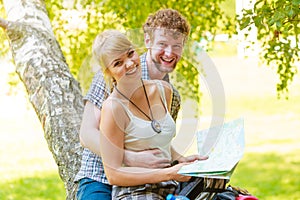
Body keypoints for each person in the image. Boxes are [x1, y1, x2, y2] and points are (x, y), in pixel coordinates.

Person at [75, 9, 195, 200]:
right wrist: (128, 157)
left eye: (176, 46)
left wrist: (180, 158)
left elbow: (155, 139)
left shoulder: (169, 93)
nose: (169, 53)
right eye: (162, 44)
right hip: (100, 177)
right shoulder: (111, 78)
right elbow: (86, 134)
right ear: (148, 41)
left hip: (151, 181)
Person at [95, 29, 203, 199]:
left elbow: (158, 139)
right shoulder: (113, 108)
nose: (130, 63)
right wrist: (169, 173)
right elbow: (113, 174)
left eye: (130, 54)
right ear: (108, 73)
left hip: (170, 187)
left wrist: (182, 160)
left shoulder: (163, 90)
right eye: (118, 63)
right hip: (136, 192)